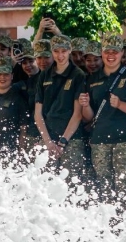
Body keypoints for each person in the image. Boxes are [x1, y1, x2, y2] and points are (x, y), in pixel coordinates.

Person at [84, 34, 126, 202]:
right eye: (107, 51)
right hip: (100, 140)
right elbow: (88, 118)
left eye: (115, 51)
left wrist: (120, 104)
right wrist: (85, 105)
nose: (111, 55)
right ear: (101, 52)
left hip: (125, 140)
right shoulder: (92, 78)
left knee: (125, 191)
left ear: (122, 53)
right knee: (104, 190)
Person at [35, 35, 89, 181]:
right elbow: (38, 113)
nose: (60, 55)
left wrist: (62, 142)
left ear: (70, 50)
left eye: (63, 51)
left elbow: (78, 114)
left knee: (71, 187)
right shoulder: (44, 75)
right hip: (48, 138)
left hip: (71, 140)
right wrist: (48, 142)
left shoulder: (78, 75)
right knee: (44, 186)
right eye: (56, 51)